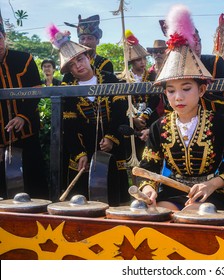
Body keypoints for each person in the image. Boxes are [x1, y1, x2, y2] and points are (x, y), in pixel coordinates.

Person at [138, 4, 224, 211]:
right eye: (171, 91)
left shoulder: (218, 123)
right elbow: (148, 167)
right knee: (153, 213)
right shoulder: (159, 126)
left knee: (193, 214)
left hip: (211, 192)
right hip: (173, 191)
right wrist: (149, 189)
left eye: (186, 88)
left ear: (201, 90)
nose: (178, 97)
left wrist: (214, 183)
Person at [48, 25, 129, 205]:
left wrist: (111, 137)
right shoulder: (68, 88)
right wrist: (79, 153)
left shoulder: (110, 79)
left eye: (80, 59)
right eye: (72, 64)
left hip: (111, 145)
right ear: (69, 70)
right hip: (83, 147)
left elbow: (120, 113)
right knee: (81, 201)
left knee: (114, 199)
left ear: (88, 57)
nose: (78, 65)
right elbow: (69, 125)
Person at [0, 10, 49, 199]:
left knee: (34, 185)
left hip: (27, 135)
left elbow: (36, 92)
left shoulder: (24, 59)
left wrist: (23, 116)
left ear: (4, 37)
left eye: (0, 38)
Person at [118, 30, 161, 160]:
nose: (142, 62)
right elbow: (123, 102)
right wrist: (134, 119)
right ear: (131, 62)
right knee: (133, 156)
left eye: (144, 58)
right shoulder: (123, 78)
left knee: (152, 155)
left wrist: (144, 116)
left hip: (150, 117)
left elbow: (155, 98)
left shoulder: (153, 76)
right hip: (130, 121)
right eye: (138, 60)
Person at [147, 39, 168, 117]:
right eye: (155, 52)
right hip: (151, 113)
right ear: (152, 54)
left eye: (161, 51)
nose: (158, 54)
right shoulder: (147, 74)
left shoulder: (172, 72)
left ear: (167, 53)